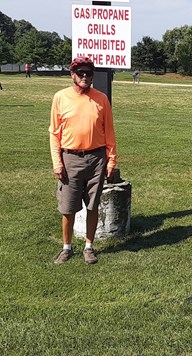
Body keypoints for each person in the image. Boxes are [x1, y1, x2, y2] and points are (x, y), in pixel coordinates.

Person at [49, 56, 118, 265]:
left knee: (93, 206)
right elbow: (54, 133)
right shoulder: (61, 97)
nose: (85, 77)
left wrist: (111, 160)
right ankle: (66, 248)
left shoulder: (101, 99)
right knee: (68, 208)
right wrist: (57, 162)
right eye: (81, 73)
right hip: (69, 158)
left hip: (96, 158)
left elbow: (109, 132)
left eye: (89, 73)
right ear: (72, 75)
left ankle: (89, 247)